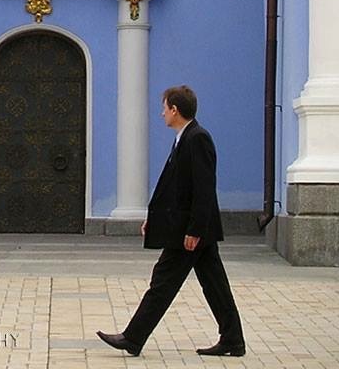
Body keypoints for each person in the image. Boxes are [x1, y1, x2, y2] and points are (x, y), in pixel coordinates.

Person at [97, 85, 245, 357]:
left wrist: (195, 230)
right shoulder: (184, 138)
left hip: (190, 231)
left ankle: (132, 337)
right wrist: (153, 220)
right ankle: (233, 339)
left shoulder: (197, 138)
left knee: (163, 282)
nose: (161, 113)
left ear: (175, 109)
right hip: (189, 229)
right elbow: (174, 188)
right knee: (214, 284)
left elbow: (203, 188)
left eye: (164, 108)